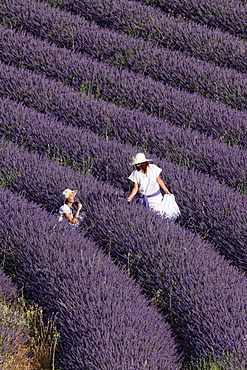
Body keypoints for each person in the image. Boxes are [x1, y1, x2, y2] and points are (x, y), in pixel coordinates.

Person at [127, 153, 180, 220]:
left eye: (139, 163)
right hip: (144, 199)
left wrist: (166, 191)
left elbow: (159, 180)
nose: (137, 165)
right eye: (136, 164)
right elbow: (135, 188)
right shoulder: (135, 173)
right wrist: (130, 197)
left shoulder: (153, 168)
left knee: (160, 215)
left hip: (156, 198)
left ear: (144, 163)